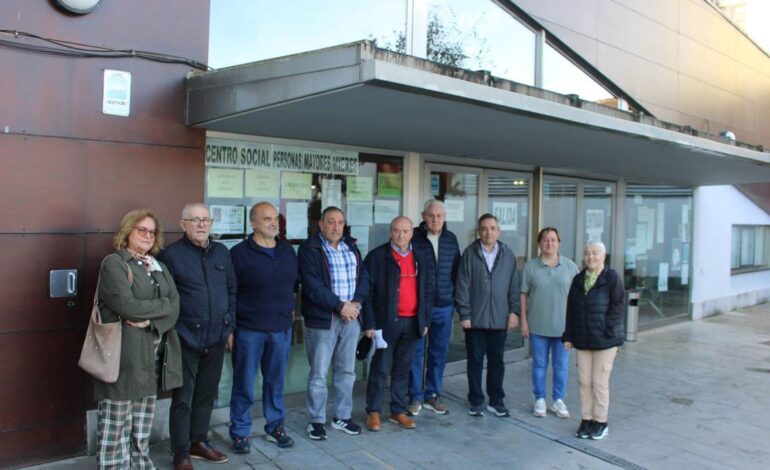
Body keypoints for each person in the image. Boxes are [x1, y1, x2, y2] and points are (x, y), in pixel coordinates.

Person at [94, 209, 182, 469]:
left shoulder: (159, 266)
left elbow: (176, 306)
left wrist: (150, 321)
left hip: (152, 355)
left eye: (152, 231)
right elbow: (126, 305)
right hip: (123, 356)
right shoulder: (114, 264)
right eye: (141, 230)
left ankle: (141, 465)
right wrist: (162, 306)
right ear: (127, 232)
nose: (147, 235)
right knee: (116, 420)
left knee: (142, 421)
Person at [159, 203, 235, 469]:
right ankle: (180, 451)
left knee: (206, 394)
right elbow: (165, 297)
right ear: (182, 224)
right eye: (195, 220)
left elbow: (231, 291)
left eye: (206, 220)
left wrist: (229, 327)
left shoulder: (222, 253)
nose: (202, 225)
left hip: (216, 336)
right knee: (183, 398)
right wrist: (174, 332)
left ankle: (198, 442)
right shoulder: (171, 255)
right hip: (185, 338)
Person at [229, 202, 299, 451]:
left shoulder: (287, 251)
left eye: (275, 219)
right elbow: (230, 292)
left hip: (280, 329)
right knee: (244, 383)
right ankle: (239, 431)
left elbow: (293, 286)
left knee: (275, 382)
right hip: (249, 330)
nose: (272, 223)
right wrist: (230, 328)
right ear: (253, 223)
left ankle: (275, 426)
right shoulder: (239, 253)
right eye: (266, 218)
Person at [298, 206, 369, 440]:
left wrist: (356, 302)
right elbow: (312, 286)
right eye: (331, 222)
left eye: (340, 222)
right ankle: (316, 420)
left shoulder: (352, 247)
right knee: (318, 373)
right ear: (321, 224)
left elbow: (364, 278)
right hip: (323, 320)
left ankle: (341, 417)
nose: (336, 227)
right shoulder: (310, 249)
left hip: (351, 319)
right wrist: (341, 306)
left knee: (346, 371)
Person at [363, 216, 434, 431]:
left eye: (405, 231)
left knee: (403, 369)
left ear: (411, 233)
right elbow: (367, 294)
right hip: (386, 323)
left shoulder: (420, 256)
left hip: (412, 322)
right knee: (380, 369)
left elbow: (428, 291)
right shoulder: (377, 257)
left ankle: (398, 411)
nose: (400, 235)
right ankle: (373, 412)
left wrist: (425, 320)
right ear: (390, 232)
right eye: (396, 231)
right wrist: (370, 324)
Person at [455, 213, 520, 418]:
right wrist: (464, 314)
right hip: (475, 319)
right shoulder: (470, 253)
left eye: (492, 228)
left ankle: (496, 400)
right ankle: (475, 400)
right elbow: (462, 285)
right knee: (474, 361)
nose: (488, 232)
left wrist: (514, 312)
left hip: (500, 319)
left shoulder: (508, 255)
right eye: (484, 228)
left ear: (498, 231)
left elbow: (514, 286)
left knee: (496, 361)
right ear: (479, 231)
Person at [563, 241, 625, 440]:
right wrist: (568, 335)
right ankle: (586, 420)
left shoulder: (611, 277)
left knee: (599, 382)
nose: (590, 257)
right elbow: (570, 309)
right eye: (587, 253)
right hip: (583, 338)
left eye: (595, 253)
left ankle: (601, 422)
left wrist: (607, 327)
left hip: (605, 340)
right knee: (584, 381)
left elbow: (618, 305)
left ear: (603, 256)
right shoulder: (579, 279)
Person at [407, 200, 460, 416]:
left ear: (444, 217)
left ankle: (433, 394)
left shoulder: (451, 239)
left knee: (438, 353)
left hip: (444, 307)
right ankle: (415, 396)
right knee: (416, 353)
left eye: (439, 216)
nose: (435, 220)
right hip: (419, 308)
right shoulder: (414, 239)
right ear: (423, 216)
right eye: (431, 215)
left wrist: (454, 300)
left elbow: (457, 273)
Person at [520, 227, 579, 420]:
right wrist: (523, 320)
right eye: (545, 240)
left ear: (559, 243)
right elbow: (523, 295)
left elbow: (577, 297)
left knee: (561, 366)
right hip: (538, 325)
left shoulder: (570, 266)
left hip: (563, 328)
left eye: (553, 240)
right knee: (539, 365)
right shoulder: (531, 267)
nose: (549, 243)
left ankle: (558, 400)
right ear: (539, 243)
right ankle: (540, 399)